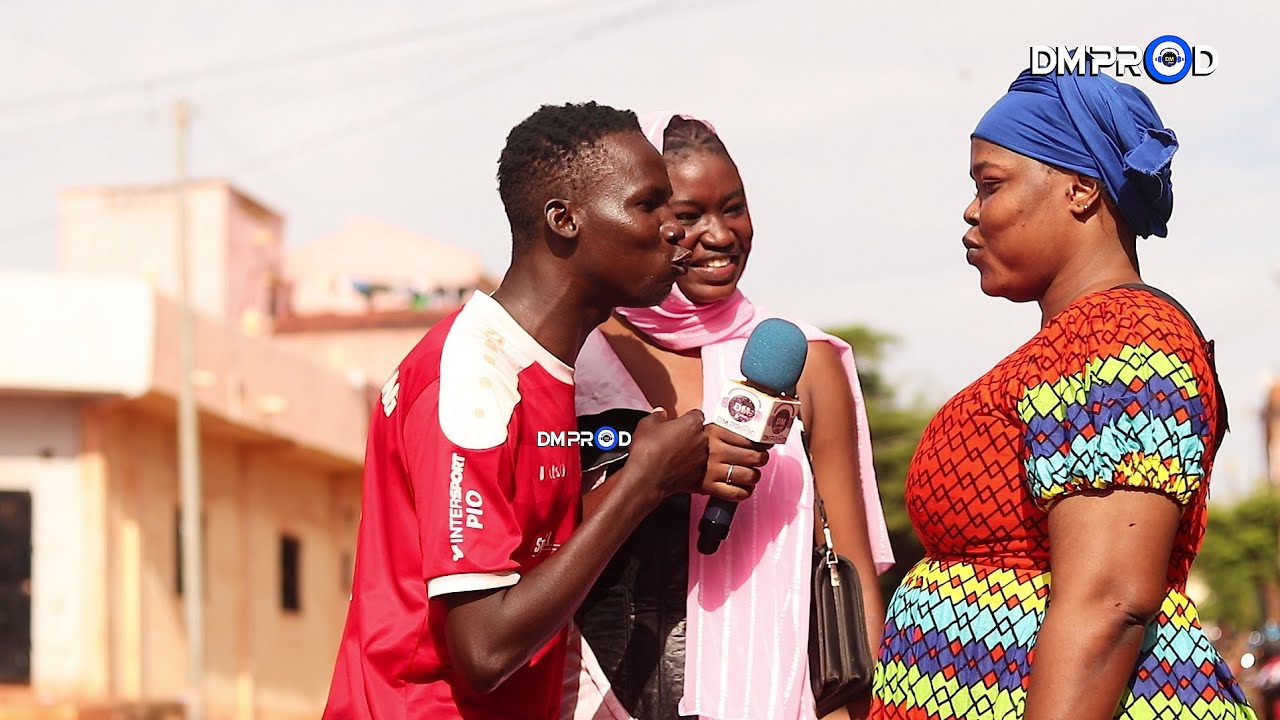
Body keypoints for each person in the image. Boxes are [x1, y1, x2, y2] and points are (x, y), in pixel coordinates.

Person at [323, 102, 756, 720]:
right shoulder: (473, 376)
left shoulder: (543, 368)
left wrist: (665, 474)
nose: (675, 229)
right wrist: (642, 483)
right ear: (564, 220)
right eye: (648, 205)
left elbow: (531, 561)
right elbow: (484, 649)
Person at [870, 68, 1256, 719]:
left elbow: (1110, 600)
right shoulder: (1076, 342)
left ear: (1081, 189)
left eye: (990, 184)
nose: (971, 211)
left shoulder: (1122, 335)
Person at [566, 113, 895, 720]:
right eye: (689, 216)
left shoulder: (804, 358)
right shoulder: (580, 356)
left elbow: (847, 569)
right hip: (600, 697)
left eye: (735, 208)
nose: (720, 236)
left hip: (780, 700)